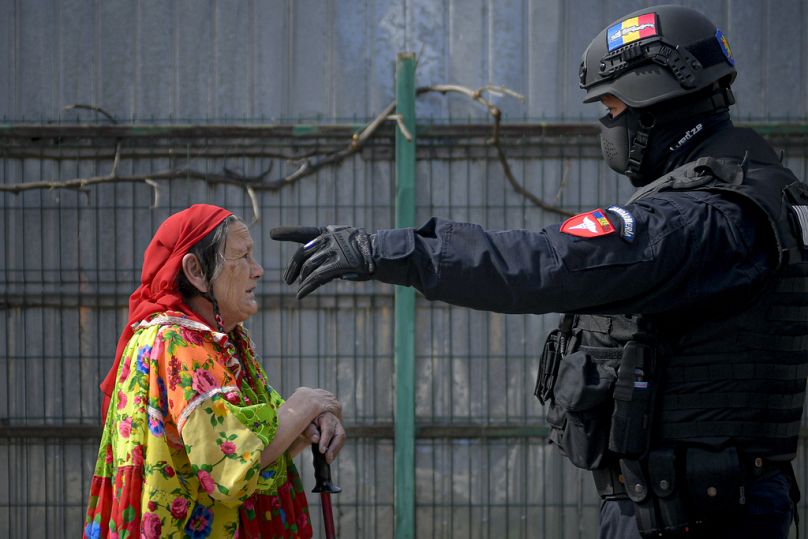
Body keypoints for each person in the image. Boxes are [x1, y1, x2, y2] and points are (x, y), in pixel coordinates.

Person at [271, 5, 808, 539]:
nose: (608, 123)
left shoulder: (702, 218)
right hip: (707, 500)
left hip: (695, 513)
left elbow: (542, 264)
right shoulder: (756, 194)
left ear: (657, 102)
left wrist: (380, 250)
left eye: (613, 106)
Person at [83, 204, 345, 539]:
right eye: (243, 257)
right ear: (196, 271)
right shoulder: (179, 344)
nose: (258, 270)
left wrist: (313, 419)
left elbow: (262, 441)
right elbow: (231, 470)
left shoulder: (218, 340)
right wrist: (305, 404)